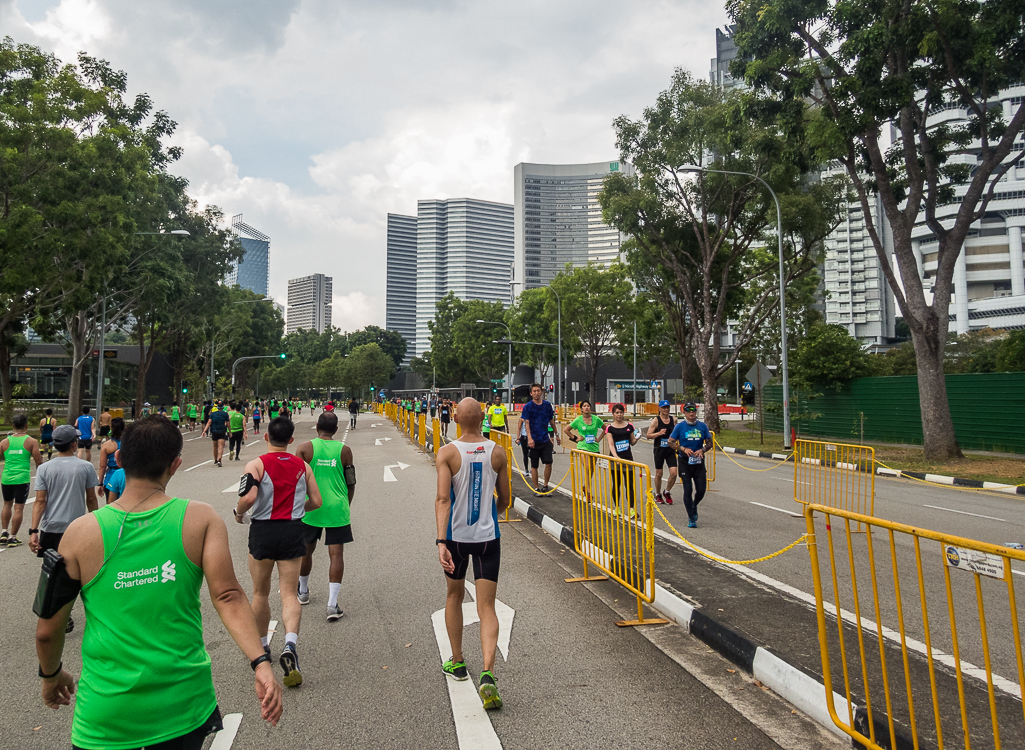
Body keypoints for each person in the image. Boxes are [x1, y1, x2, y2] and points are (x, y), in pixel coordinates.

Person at [35, 416, 283, 748]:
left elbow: (48, 629)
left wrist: (52, 677)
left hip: (105, 716)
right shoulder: (202, 519)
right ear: (176, 464)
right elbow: (227, 596)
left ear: (120, 460)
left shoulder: (79, 534)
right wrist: (260, 662)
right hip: (183, 707)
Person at [235, 417, 323, 688]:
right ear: (291, 440)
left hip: (262, 531)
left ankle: (262, 648)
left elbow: (248, 498)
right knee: (288, 593)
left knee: (260, 591)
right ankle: (290, 645)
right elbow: (317, 502)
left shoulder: (257, 464)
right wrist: (296, 511)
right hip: (292, 530)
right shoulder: (303, 466)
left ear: (266, 437)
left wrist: (239, 513)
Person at [435, 398, 510, 711]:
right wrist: (489, 516)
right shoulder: (497, 451)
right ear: (483, 417)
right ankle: (488, 671)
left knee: (454, 596)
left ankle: (458, 661)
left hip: (455, 538)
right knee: (487, 606)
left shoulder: (447, 452)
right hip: (487, 538)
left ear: (455, 418)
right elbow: (505, 498)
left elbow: (442, 499)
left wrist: (441, 541)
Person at [29, 423, 98, 632]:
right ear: (74, 443)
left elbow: (40, 502)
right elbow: (91, 498)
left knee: (51, 572)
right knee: (81, 572)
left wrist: (33, 531)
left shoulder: (44, 468)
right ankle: (78, 612)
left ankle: (51, 612)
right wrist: (96, 522)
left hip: (51, 530)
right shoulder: (85, 467)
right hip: (77, 529)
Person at [296, 412, 356, 621]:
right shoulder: (345, 451)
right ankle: (332, 605)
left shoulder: (304, 449)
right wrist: (344, 506)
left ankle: (302, 591)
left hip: (310, 506)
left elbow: (296, 480)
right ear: (336, 430)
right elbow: (351, 482)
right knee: (336, 555)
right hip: (337, 508)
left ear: (316, 426)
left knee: (306, 549)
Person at [1, 415, 45, 548]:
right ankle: (13, 537)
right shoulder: (31, 441)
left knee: (7, 504)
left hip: (6, 478)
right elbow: (39, 461)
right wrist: (42, 478)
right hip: (22, 478)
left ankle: (4, 532)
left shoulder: (4, 442)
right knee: (18, 507)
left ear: (13, 426)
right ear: (26, 425)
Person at [668, 402, 713, 528]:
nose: (691, 413)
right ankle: (691, 517)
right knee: (687, 489)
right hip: (684, 462)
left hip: (698, 462)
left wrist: (702, 450)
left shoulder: (702, 426)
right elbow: (670, 442)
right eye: (688, 411)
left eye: (693, 411)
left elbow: (710, 443)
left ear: (696, 412)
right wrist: (682, 449)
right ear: (684, 413)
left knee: (701, 490)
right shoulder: (680, 427)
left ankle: (694, 504)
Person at [520, 383, 560, 495]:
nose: (537, 393)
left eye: (539, 391)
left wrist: (556, 434)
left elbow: (551, 421)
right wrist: (530, 439)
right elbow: (526, 423)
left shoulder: (547, 405)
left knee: (548, 462)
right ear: (531, 393)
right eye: (535, 391)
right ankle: (536, 487)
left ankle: (546, 486)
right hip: (534, 440)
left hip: (545, 439)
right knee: (534, 465)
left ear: (541, 392)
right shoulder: (528, 407)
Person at [604, 404, 640, 519]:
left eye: (621, 412)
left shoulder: (629, 426)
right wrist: (615, 457)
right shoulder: (610, 428)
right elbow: (610, 444)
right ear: (613, 414)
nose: (619, 415)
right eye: (617, 412)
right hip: (615, 460)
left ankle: (631, 509)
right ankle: (617, 508)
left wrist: (638, 437)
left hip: (628, 459)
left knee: (629, 485)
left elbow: (632, 442)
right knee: (616, 484)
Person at [564, 401, 604, 499]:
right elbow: (566, 430)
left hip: (594, 447)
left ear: (590, 408)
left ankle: (585, 487)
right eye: (584, 406)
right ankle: (589, 493)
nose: (586, 408)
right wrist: (575, 438)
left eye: (588, 406)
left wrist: (599, 439)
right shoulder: (578, 420)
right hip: (582, 447)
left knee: (591, 470)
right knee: (587, 468)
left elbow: (606, 429)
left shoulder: (596, 419)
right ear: (581, 409)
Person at [647, 400, 678, 505]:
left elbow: (676, 433)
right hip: (659, 449)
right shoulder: (656, 421)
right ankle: (658, 494)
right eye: (664, 408)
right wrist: (658, 433)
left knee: (674, 473)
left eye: (667, 407)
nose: (666, 410)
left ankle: (667, 491)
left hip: (670, 450)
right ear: (659, 409)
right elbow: (648, 435)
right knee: (659, 474)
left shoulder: (673, 420)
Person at [96, 418, 125, 503]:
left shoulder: (106, 445)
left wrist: (100, 484)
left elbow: (102, 466)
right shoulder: (129, 442)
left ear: (111, 428)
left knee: (111, 506)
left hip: (111, 478)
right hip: (126, 477)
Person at [201, 403, 230, 467]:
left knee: (215, 447)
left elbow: (209, 422)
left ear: (217, 408)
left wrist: (204, 431)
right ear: (222, 408)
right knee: (220, 446)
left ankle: (215, 460)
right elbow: (228, 423)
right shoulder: (225, 414)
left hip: (214, 431)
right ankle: (220, 459)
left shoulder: (213, 414)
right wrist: (229, 431)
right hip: (222, 431)